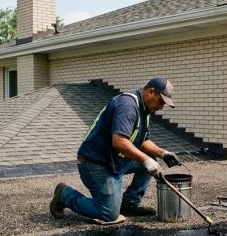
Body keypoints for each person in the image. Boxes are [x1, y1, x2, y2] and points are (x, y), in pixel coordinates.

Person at [50, 78, 181, 221]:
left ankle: (130, 204)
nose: (161, 107)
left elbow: (142, 140)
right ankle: (64, 194)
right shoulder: (127, 106)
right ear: (151, 92)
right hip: (96, 163)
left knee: (151, 162)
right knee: (109, 214)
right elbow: (119, 141)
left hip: (115, 160)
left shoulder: (144, 110)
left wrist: (163, 153)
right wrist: (146, 159)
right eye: (161, 101)